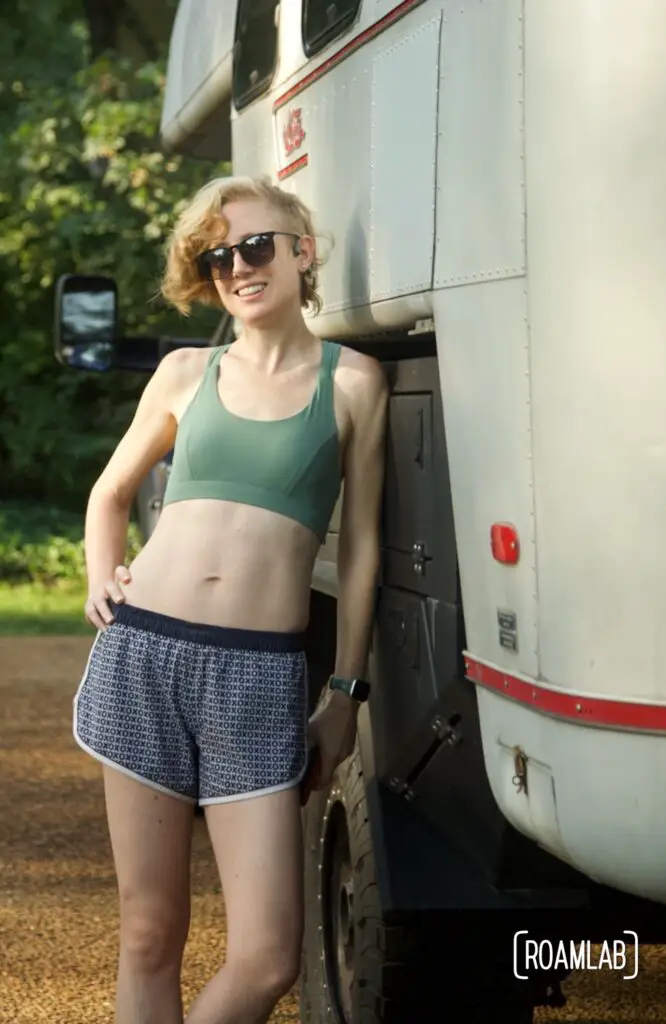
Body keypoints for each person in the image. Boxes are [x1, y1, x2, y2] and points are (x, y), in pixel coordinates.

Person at [72, 175, 388, 1024]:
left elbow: (360, 549)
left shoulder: (353, 384)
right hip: (143, 658)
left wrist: (345, 691)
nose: (238, 267)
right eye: (217, 257)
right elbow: (109, 495)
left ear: (301, 251)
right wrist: (105, 575)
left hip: (256, 679)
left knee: (266, 956)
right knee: (148, 933)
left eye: (255, 246)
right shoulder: (184, 372)